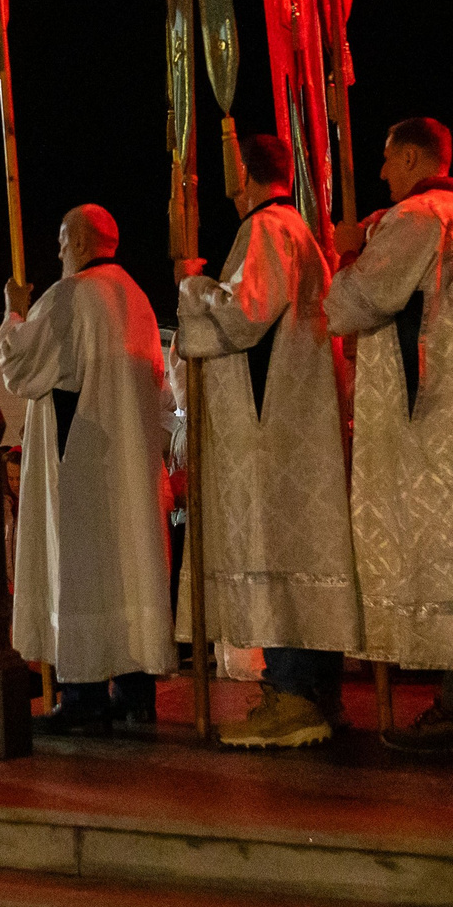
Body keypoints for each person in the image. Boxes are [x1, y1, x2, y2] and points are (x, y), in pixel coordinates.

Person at [326, 118, 453, 754]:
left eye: (386, 160)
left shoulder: (416, 218)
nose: (380, 173)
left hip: (426, 421)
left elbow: (352, 304)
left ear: (411, 157)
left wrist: (348, 252)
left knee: (444, 555)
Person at [172, 138, 358, 750]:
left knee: (279, 549)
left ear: (243, 176)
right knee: (296, 552)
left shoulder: (267, 230)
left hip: (271, 429)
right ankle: (309, 691)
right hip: (292, 423)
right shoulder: (295, 229)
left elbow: (243, 316)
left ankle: (294, 693)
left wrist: (194, 288)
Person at [0, 204, 173, 734]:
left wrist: (13, 313)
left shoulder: (70, 295)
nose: (56, 252)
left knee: (82, 573)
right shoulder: (137, 299)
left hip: (83, 466)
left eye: (59, 240)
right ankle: (136, 692)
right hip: (131, 465)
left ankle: (84, 695)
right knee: (128, 572)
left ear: (76, 242)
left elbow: (20, 367)